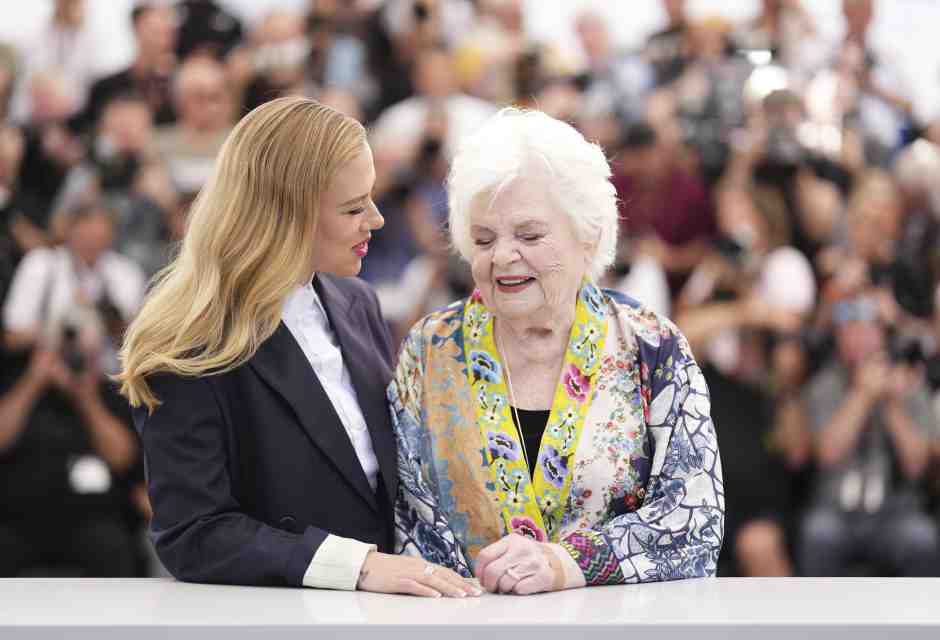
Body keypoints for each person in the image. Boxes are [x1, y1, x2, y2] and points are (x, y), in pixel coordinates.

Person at [117, 97, 478, 597]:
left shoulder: (357, 302)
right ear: (283, 214)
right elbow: (193, 534)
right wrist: (358, 566)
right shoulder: (188, 341)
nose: (375, 219)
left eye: (370, 198)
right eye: (353, 207)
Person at [391, 108, 724, 594]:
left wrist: (566, 564)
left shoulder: (652, 345)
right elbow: (409, 522)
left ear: (587, 236)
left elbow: (696, 520)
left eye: (529, 235)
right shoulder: (429, 348)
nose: (503, 256)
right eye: (484, 239)